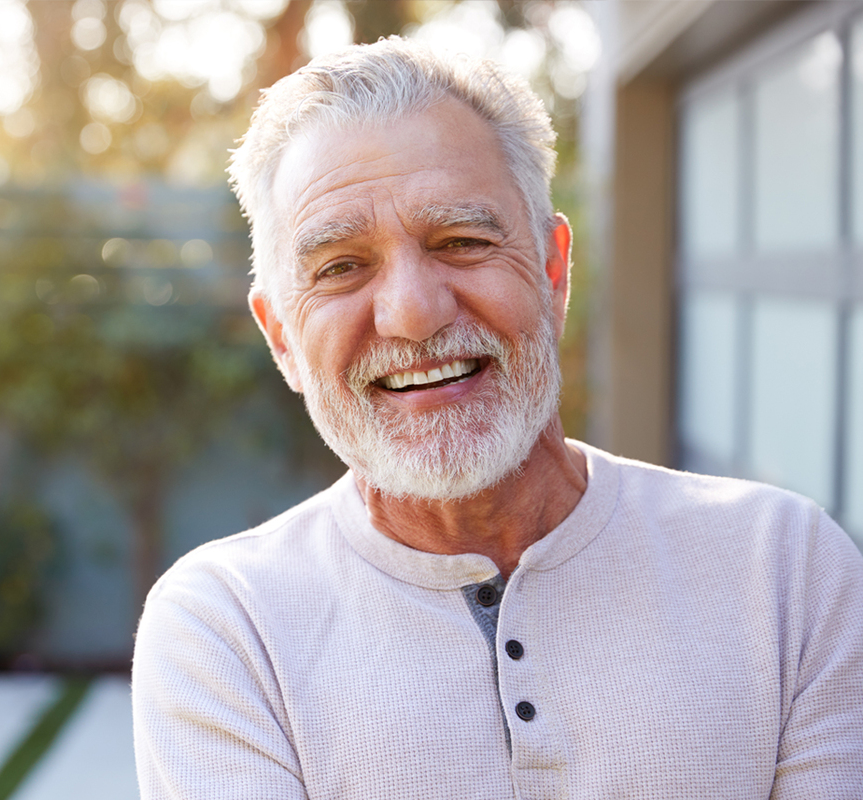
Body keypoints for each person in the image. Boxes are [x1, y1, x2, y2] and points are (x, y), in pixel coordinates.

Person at [131, 38, 863, 799]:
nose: (414, 313)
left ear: (553, 273)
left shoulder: (786, 572)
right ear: (281, 334)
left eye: (462, 241)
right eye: (341, 266)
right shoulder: (227, 631)